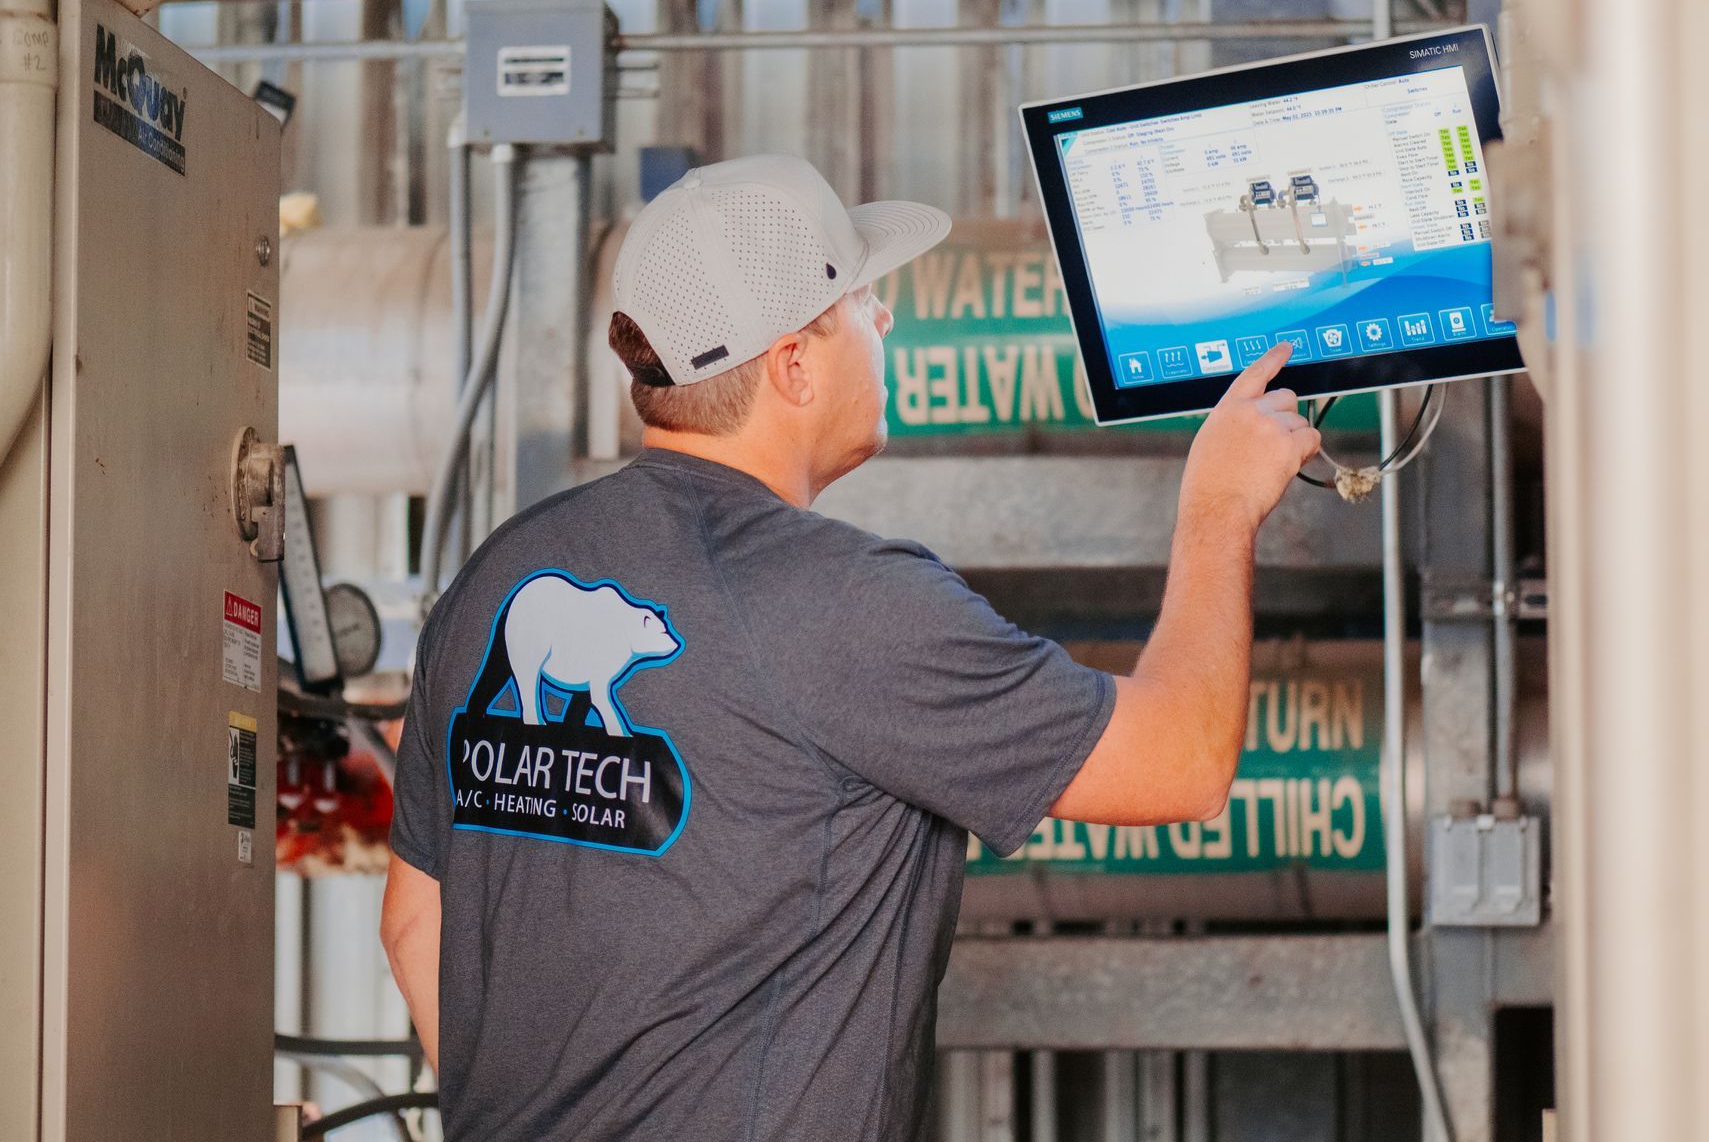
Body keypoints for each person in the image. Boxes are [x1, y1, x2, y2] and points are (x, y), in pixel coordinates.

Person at [381, 153, 1322, 1141]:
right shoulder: (853, 604)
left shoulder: (495, 578)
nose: (886, 322)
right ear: (793, 363)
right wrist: (1218, 508)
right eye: (864, 300)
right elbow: (1181, 760)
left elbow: (413, 924)